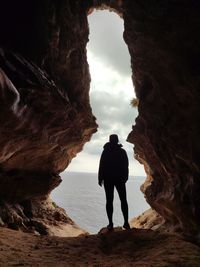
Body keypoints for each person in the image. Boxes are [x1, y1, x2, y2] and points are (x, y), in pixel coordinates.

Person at [98, 134, 130, 230]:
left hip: (108, 179)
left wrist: (100, 178)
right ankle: (126, 223)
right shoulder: (122, 151)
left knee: (109, 201)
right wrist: (125, 177)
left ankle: (110, 224)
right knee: (123, 200)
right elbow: (126, 166)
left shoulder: (106, 151)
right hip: (120, 179)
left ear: (110, 140)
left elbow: (101, 165)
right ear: (117, 140)